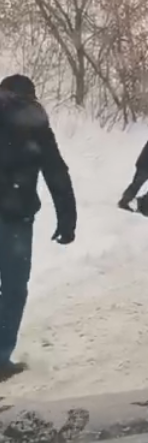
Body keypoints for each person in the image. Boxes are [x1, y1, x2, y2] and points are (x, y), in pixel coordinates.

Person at [0, 74, 76, 380]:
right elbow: (56, 171)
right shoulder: (34, 122)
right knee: (13, 288)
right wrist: (67, 219)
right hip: (15, 218)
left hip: (15, 217)